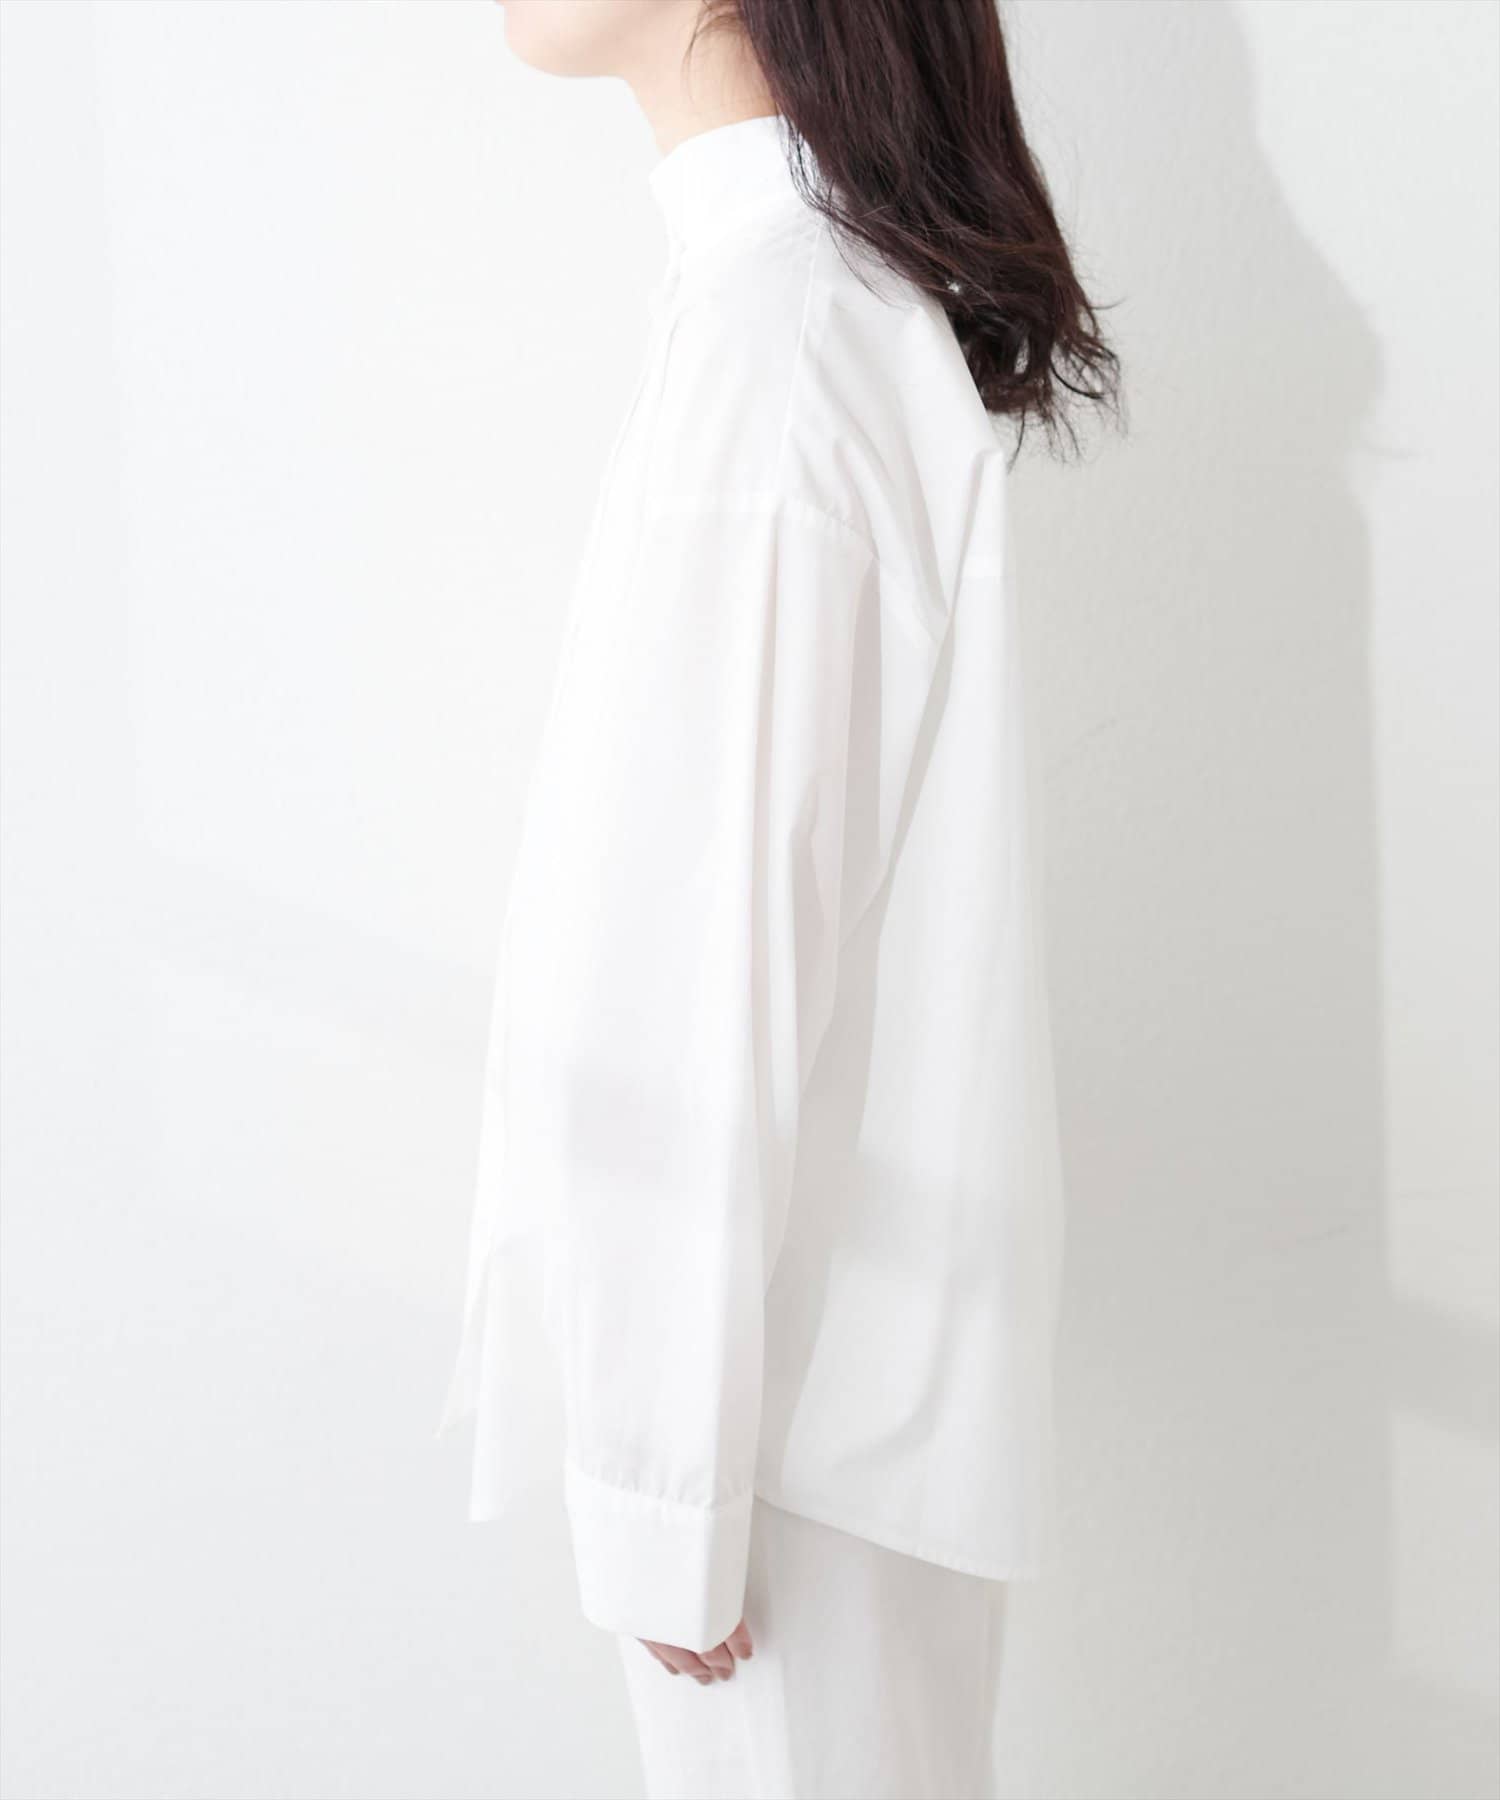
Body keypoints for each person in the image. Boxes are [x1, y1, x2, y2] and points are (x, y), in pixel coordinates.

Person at [438, 3, 1120, 1795]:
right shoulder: (783, 309)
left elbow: (707, 948)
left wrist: (664, 1472)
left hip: (779, 1443)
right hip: (806, 1423)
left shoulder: (782, 336)